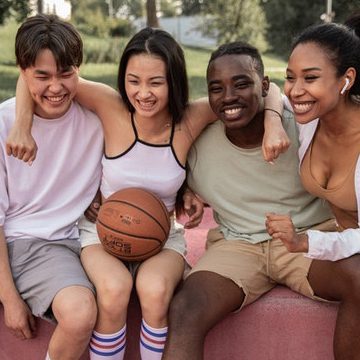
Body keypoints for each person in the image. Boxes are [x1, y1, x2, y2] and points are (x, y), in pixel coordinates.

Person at [7, 28, 288, 360]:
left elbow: (272, 90)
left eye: (156, 82)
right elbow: (36, 77)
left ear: (174, 81)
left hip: (162, 237)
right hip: (101, 234)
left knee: (154, 292)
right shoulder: (109, 105)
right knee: (113, 290)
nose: (143, 93)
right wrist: (22, 126)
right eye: (133, 80)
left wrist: (274, 123)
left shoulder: (191, 118)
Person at [161, 41, 360, 360]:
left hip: (306, 237)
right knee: (186, 308)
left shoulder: (302, 125)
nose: (228, 97)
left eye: (241, 84)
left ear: (264, 86)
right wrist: (185, 188)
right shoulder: (197, 142)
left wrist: (273, 116)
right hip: (236, 244)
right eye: (217, 88)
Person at [0, 14, 103, 360]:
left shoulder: (97, 119)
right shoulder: (3, 124)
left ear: (79, 70)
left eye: (65, 73)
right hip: (26, 243)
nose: (56, 88)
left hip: (81, 239)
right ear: (22, 71)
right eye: (42, 76)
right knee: (79, 313)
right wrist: (10, 297)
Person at [266, 22, 360, 262]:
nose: (295, 90)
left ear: (347, 79)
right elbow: (271, 92)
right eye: (290, 77)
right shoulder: (310, 119)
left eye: (310, 77)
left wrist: (304, 241)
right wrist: (273, 124)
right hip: (344, 248)